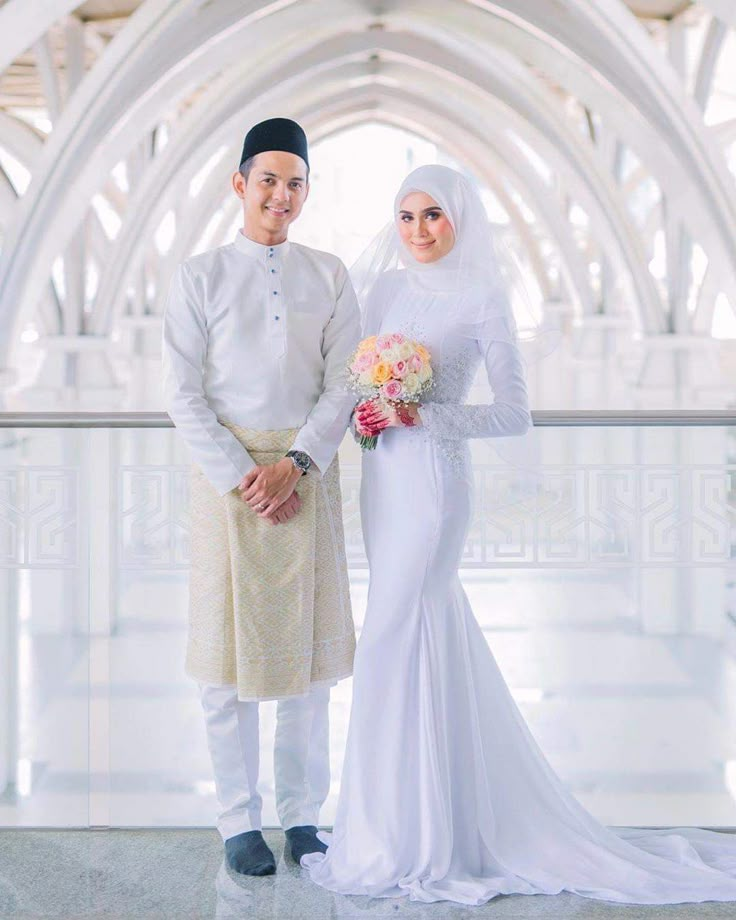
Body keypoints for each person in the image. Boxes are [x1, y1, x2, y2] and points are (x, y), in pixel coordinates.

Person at [302, 164, 736, 906]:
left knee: (387, 641)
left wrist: (421, 415)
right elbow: (353, 384)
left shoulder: (482, 297)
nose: (418, 230)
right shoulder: (384, 289)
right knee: (414, 639)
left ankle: (410, 839)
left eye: (432, 214)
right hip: (386, 486)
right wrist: (359, 422)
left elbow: (513, 414)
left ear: (460, 217)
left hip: (437, 487)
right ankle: (403, 827)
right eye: (405, 216)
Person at [161, 117, 360, 876]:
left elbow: (346, 380)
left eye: (296, 182)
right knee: (225, 663)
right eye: (268, 178)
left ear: (308, 191)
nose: (282, 194)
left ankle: (304, 816)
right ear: (239, 184)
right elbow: (181, 393)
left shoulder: (330, 273)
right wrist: (246, 476)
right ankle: (237, 821)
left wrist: (298, 463)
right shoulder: (199, 276)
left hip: (308, 473)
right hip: (227, 483)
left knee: (308, 666)